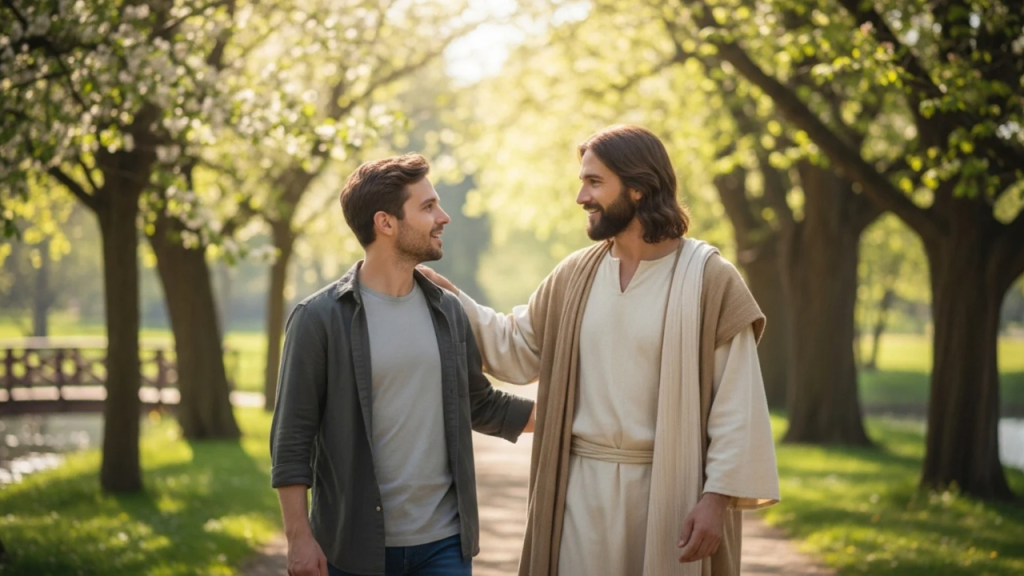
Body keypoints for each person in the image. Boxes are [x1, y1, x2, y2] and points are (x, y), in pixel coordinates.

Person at [420, 125, 780, 576]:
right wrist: (450, 298)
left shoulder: (711, 280)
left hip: (670, 492)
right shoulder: (576, 274)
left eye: (594, 182)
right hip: (579, 492)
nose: (581, 197)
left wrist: (715, 499)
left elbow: (737, 404)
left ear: (638, 188)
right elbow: (517, 347)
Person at [270, 153, 536, 576]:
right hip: (353, 548)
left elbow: (479, 404)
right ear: (386, 223)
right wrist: (298, 538)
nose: (443, 217)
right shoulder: (319, 318)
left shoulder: (447, 310)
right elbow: (292, 439)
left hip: (444, 545)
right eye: (428, 207)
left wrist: (572, 414)